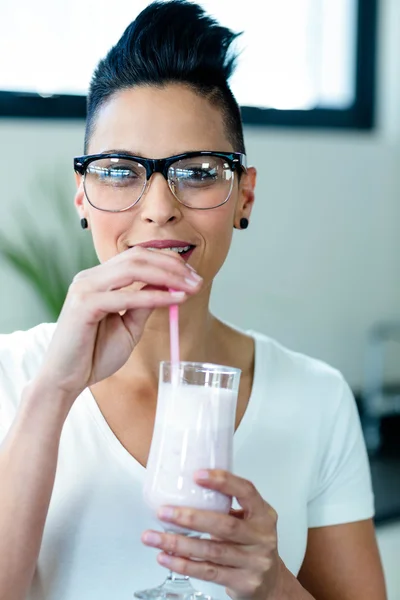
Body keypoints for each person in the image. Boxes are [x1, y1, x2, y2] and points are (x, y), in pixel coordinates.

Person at [0, 2, 387, 599]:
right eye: (120, 171)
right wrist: (53, 391)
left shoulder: (318, 399)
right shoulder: (11, 376)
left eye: (200, 170)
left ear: (244, 197)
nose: (159, 206)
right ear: (81, 196)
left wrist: (274, 585)